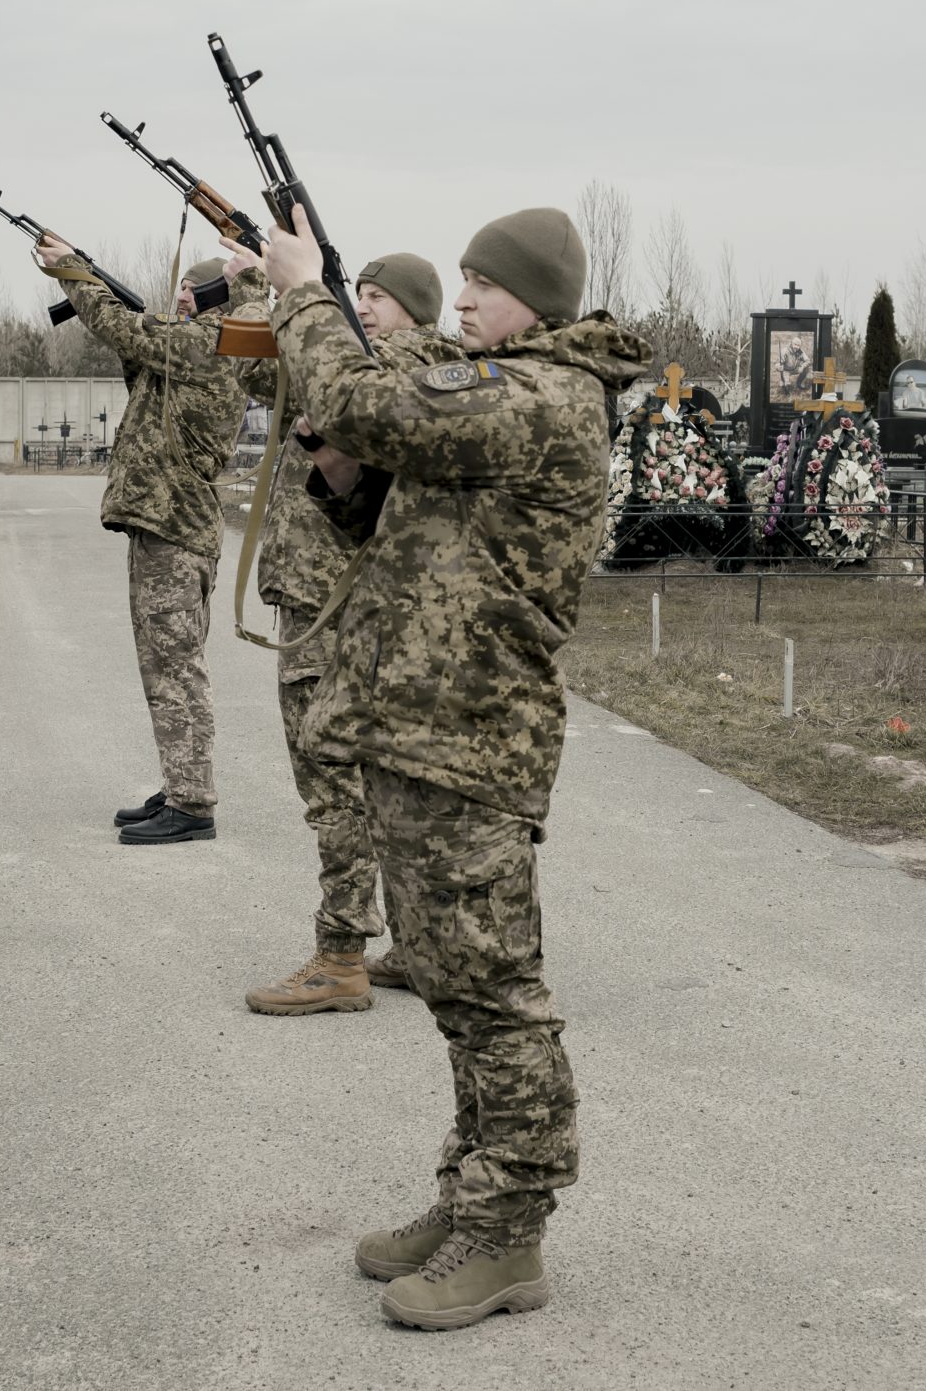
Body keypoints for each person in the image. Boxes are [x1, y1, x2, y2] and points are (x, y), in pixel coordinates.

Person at [255, 206, 649, 1328]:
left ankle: (510, 1230)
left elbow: (364, 396)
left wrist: (301, 295)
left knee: (493, 995)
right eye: (462, 280)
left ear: (541, 301)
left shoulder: (545, 395)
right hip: (418, 726)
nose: (464, 300)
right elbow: (402, 506)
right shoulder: (505, 387)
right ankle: (468, 1197)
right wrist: (341, 478)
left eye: (484, 285)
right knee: (449, 985)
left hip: (473, 736)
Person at [229, 252, 461, 1017]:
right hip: (337, 604)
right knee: (382, 787)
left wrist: (298, 297)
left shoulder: (397, 365)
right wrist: (262, 286)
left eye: (378, 300)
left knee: (332, 787)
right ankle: (420, 946)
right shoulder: (372, 370)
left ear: (417, 315)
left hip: (331, 610)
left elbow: (326, 371)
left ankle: (339, 956)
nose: (361, 309)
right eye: (354, 296)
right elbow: (267, 373)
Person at [35, 237, 267, 844]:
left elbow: (120, 326)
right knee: (166, 664)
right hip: (166, 525)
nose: (181, 298)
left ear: (218, 296)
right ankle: (182, 784)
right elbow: (142, 360)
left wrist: (72, 273)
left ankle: (192, 804)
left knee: (176, 666)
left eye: (193, 290)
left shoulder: (210, 343)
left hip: (176, 527)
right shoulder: (197, 348)